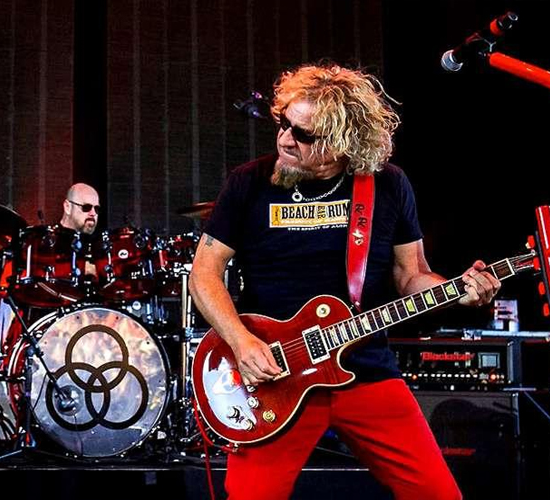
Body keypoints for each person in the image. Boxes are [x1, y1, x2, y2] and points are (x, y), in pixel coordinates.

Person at [188, 64, 500, 500]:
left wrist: (456, 292)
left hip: (365, 369)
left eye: (304, 135)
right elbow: (204, 273)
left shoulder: (387, 186)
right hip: (275, 378)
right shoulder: (249, 182)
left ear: (344, 141)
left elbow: (411, 275)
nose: (285, 140)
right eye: (283, 124)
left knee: (437, 494)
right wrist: (242, 343)